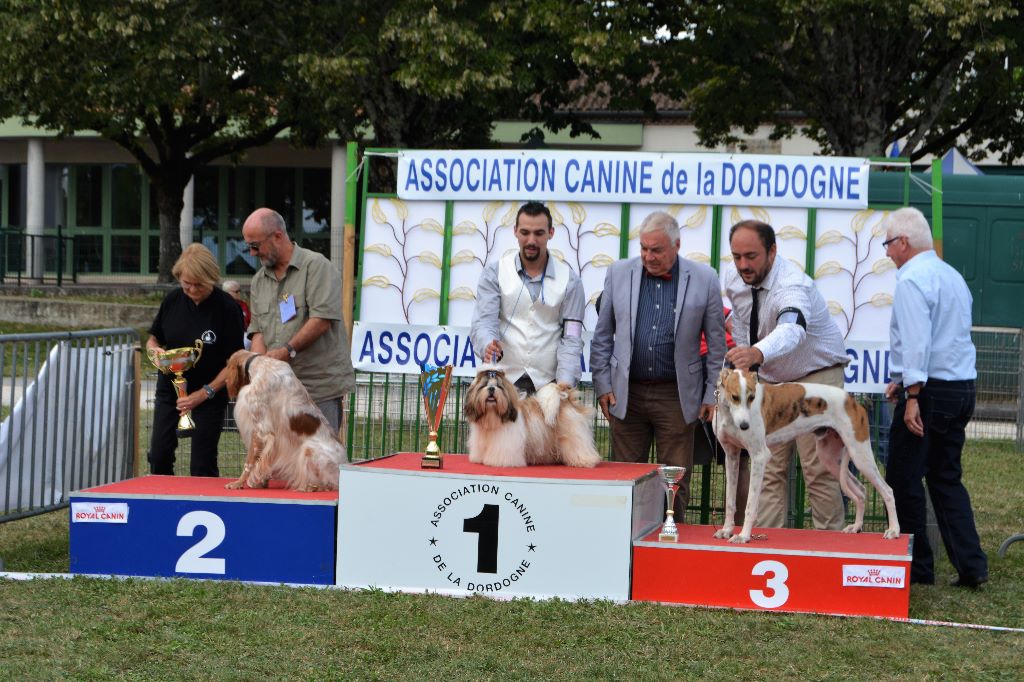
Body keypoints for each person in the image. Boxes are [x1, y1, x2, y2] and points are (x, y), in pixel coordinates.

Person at [590, 211, 726, 521]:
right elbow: (602, 336)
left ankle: (673, 537)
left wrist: (711, 394)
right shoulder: (617, 273)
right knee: (625, 478)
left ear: (677, 245)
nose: (648, 257)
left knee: (675, 480)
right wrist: (603, 385)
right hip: (626, 394)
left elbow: (717, 345)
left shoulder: (705, 278)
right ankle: (626, 539)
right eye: (644, 248)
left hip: (677, 396)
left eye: (657, 250)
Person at [882, 207, 988, 587]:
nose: (887, 253)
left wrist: (912, 392)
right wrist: (904, 381)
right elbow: (946, 338)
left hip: (929, 392)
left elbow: (917, 341)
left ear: (903, 242)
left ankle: (917, 568)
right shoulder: (952, 276)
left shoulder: (912, 280)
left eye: (887, 244)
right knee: (946, 478)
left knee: (903, 477)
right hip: (961, 387)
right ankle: (971, 566)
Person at [723, 220, 848, 530]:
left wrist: (756, 353)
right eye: (737, 256)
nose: (743, 265)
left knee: (819, 469)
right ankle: (765, 541)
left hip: (816, 376)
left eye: (751, 256)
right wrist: (746, 358)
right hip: (771, 379)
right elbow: (741, 322)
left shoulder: (793, 285)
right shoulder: (733, 278)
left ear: (773, 251)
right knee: (765, 467)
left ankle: (829, 545)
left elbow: (793, 329)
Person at [242, 207, 356, 435]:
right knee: (279, 453)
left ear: (277, 236)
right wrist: (258, 367)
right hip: (276, 390)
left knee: (319, 452)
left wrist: (286, 351)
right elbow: (258, 331)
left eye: (255, 246)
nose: (252, 254)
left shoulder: (316, 267)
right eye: (249, 247)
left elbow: (321, 320)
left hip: (317, 389)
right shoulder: (259, 281)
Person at [146, 244, 245, 477]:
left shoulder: (228, 308)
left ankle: (204, 498)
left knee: (202, 463)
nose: (191, 289)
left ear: (211, 279)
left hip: (210, 392)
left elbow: (234, 361)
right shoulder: (172, 300)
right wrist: (156, 353)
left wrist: (204, 393)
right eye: (186, 283)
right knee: (159, 454)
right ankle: (163, 494)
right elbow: (153, 339)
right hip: (170, 389)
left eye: (198, 284)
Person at [470, 201, 585, 395]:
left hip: (549, 386)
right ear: (515, 231)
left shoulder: (571, 281)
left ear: (551, 233)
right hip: (503, 385)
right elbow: (484, 321)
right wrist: (487, 344)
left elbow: (571, 338)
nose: (531, 240)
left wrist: (564, 385)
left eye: (539, 233)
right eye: (525, 232)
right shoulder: (494, 273)